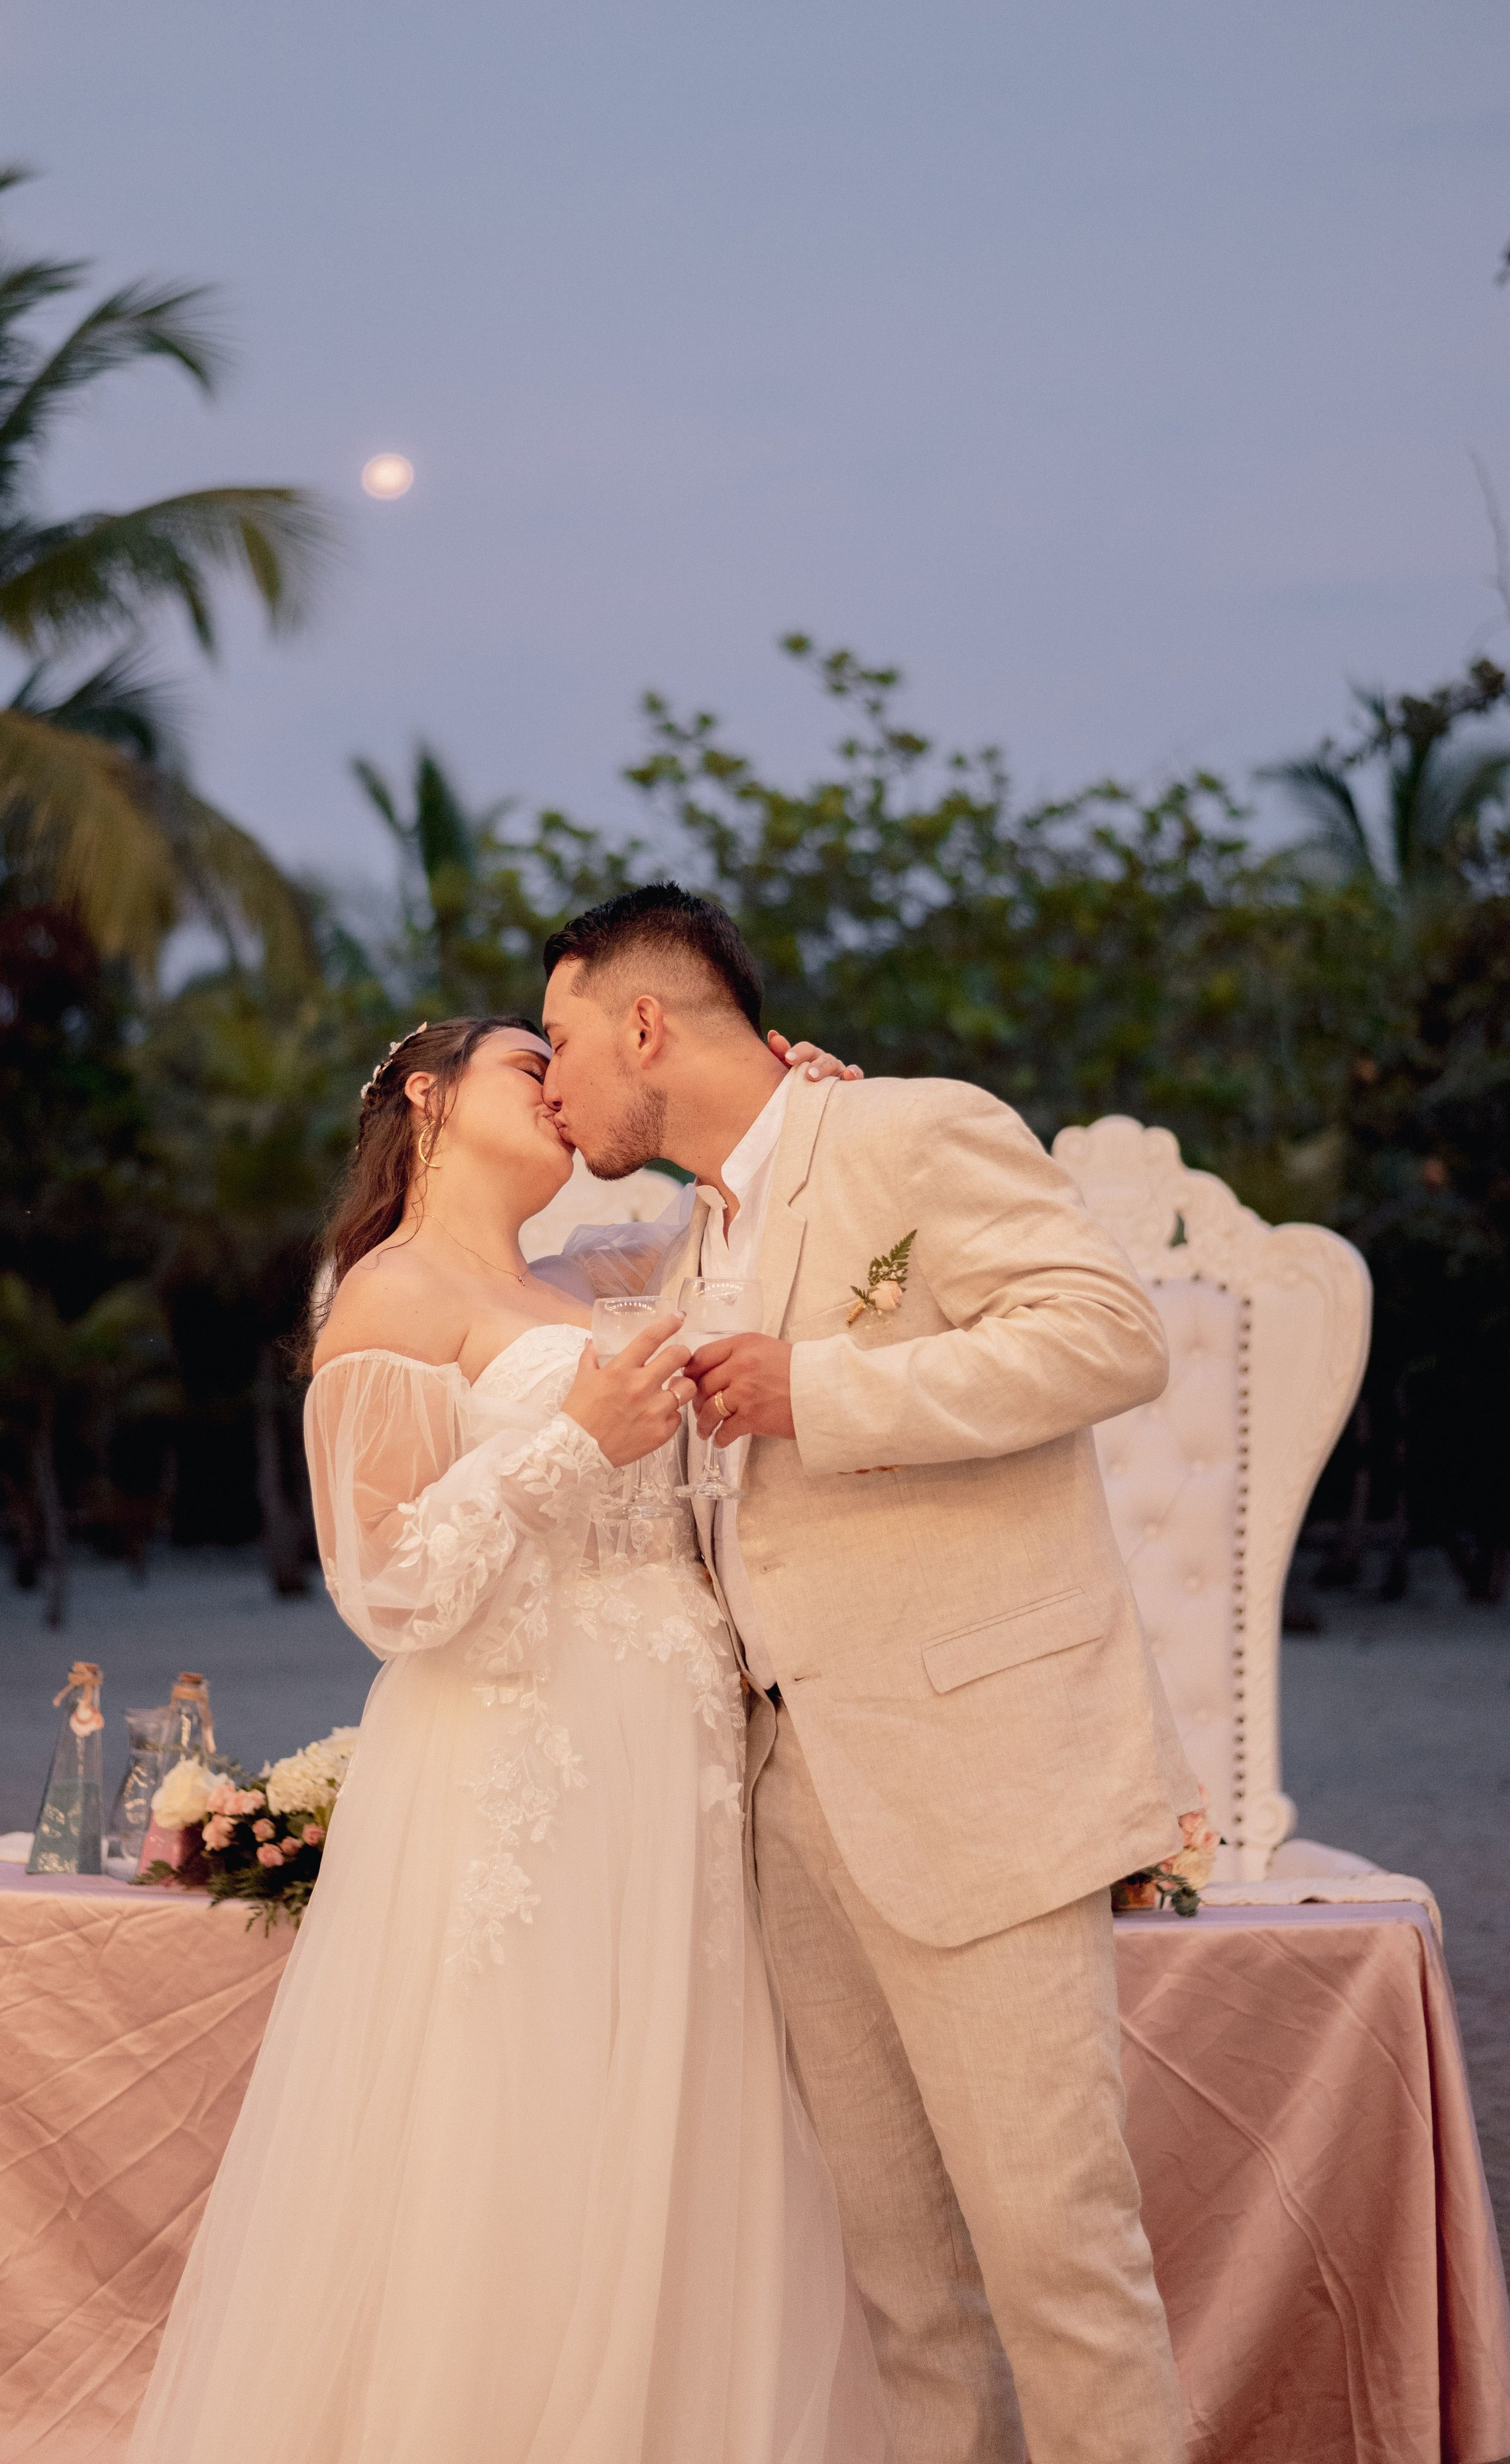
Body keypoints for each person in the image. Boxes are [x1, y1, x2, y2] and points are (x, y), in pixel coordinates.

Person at [128, 1013, 891, 2464]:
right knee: (516, 2112)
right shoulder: (389, 1298)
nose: (557, 1088)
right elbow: (389, 1585)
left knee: (674, 2114)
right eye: (522, 1066)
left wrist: (807, 1113)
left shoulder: (592, 1275)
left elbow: (748, 1206)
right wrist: (570, 1445)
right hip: (512, 1753)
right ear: (425, 1097)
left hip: (673, 1756)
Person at [539, 885, 1195, 2464]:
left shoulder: (906, 1131)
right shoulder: (707, 1219)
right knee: (904, 2295)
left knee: (1059, 2267)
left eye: (559, 1043)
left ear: (646, 1024)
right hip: (789, 1808)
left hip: (970, 1785)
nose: (553, 1088)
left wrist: (815, 1384)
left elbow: (1109, 1335)